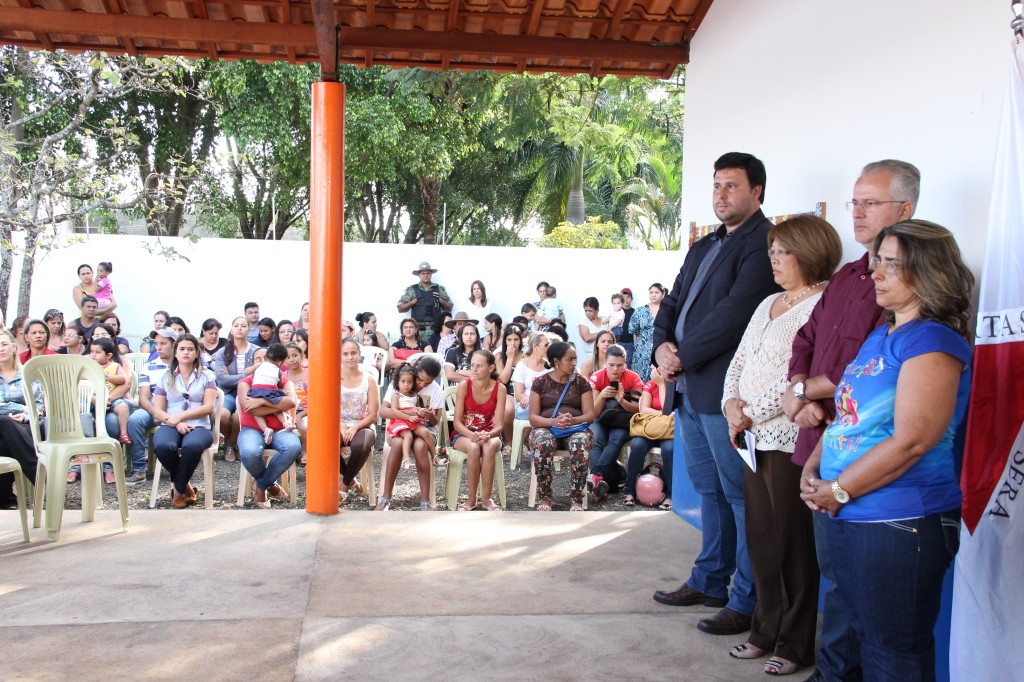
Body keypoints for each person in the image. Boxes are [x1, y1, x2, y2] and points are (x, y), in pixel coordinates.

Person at [798, 221, 972, 681]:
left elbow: (913, 439)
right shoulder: (883, 335)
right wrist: (816, 466)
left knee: (894, 651)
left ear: (927, 271)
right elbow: (849, 416)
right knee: (869, 639)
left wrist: (838, 489)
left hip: (899, 520)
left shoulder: (931, 341)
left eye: (890, 263)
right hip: (853, 511)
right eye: (878, 260)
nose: (875, 271)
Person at [782, 159, 919, 682]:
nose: (858, 213)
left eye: (871, 203)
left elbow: (869, 369)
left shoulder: (909, 290)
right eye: (855, 202)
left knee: (871, 598)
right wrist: (800, 390)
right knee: (833, 572)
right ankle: (835, 668)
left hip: (870, 457)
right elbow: (807, 339)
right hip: (821, 440)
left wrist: (814, 392)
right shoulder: (847, 275)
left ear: (904, 210)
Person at [651, 152, 780, 637]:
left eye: (732, 186)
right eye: (717, 186)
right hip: (688, 390)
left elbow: (736, 313)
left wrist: (680, 355)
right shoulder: (705, 245)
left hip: (725, 392)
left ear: (757, 192)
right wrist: (662, 345)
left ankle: (746, 600)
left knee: (740, 496)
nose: (721, 195)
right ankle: (709, 579)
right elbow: (674, 300)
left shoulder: (763, 244)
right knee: (710, 492)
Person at [721, 215, 843, 676]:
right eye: (771, 251)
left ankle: (794, 643)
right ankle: (764, 629)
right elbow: (741, 360)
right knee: (762, 538)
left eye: (782, 252)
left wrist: (753, 410)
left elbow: (800, 376)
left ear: (808, 253)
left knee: (792, 544)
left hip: (790, 438)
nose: (773, 260)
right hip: (750, 435)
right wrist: (732, 403)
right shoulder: (769, 301)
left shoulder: (824, 302)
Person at [151, 333, 218, 509]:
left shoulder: (207, 376)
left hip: (199, 427)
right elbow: (157, 411)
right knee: (163, 446)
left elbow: (209, 407)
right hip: (170, 424)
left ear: (197, 352)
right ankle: (186, 486)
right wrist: (175, 422)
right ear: (175, 352)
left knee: (192, 447)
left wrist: (181, 417)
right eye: (182, 349)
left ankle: (178, 492)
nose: (186, 352)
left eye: (190, 349)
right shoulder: (165, 377)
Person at [528, 342, 594, 511]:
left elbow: (590, 415)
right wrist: (554, 422)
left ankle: (577, 499)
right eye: (569, 359)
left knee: (580, 442)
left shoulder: (581, 383)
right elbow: (533, 418)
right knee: (543, 442)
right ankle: (545, 497)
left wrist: (571, 420)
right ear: (556, 361)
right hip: (547, 427)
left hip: (575, 428)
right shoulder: (540, 383)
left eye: (575, 359)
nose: (574, 363)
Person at [236, 346, 300, 508]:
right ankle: (269, 484)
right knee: (250, 452)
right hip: (251, 429)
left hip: (280, 429)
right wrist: (277, 405)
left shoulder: (283, 380)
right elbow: (250, 408)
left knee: (292, 447)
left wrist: (263, 401)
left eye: (266, 358)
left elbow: (291, 401)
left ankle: (261, 486)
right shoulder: (245, 384)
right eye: (259, 359)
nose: (264, 362)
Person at [378, 355, 443, 510]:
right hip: (399, 427)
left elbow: (435, 422)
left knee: (420, 446)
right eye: (420, 379)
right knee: (399, 443)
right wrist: (407, 413)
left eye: (428, 382)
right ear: (415, 371)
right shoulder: (402, 382)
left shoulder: (435, 389)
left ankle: (425, 502)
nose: (422, 384)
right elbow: (383, 411)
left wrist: (430, 415)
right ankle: (386, 498)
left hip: (424, 430)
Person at [451, 349, 506, 511]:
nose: (473, 370)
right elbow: (456, 422)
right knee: (474, 447)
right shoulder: (464, 385)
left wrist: (488, 434)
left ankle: (487, 499)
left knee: (489, 446)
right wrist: (471, 435)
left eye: (479, 366)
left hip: (490, 433)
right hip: (464, 433)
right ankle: (471, 499)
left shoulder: (500, 388)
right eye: (472, 365)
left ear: (490, 368)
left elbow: (500, 425)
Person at [588, 343, 643, 500]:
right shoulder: (597, 377)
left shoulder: (633, 378)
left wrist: (621, 399)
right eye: (611, 365)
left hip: (623, 420)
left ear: (625, 363)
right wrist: (601, 396)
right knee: (595, 438)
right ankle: (602, 482)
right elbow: (594, 413)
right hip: (601, 419)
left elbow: (639, 410)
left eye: (620, 365)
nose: (615, 369)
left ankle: (596, 477)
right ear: (605, 362)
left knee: (616, 439)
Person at [124, 328, 178, 483]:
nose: (158, 347)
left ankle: (178, 468)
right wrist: (157, 413)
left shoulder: (184, 365)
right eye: (156, 343)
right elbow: (143, 398)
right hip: (153, 410)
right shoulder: (150, 366)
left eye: (163, 343)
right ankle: (139, 469)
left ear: (174, 345)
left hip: (177, 411)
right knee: (135, 419)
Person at [0, 329, 43, 510]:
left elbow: (38, 408)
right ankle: (39, 475)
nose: (0, 349)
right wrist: (21, 407)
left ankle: (5, 498)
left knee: (4, 437)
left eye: (3, 344)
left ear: (13, 347)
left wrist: (25, 415)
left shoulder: (28, 375)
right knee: (4, 422)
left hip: (25, 427)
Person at [623, 366, 674, 509]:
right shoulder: (650, 384)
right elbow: (644, 409)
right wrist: (663, 415)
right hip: (650, 428)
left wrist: (661, 384)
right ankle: (630, 491)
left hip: (669, 431)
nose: (656, 369)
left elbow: (667, 408)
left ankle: (670, 494)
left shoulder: (674, 385)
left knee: (669, 450)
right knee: (638, 446)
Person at [337, 337, 379, 506]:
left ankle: (344, 485)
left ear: (359, 354)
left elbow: (373, 415)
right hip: (338, 424)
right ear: (340, 356)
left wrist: (354, 427)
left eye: (353, 353)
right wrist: (341, 425)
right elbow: (329, 408)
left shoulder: (369, 379)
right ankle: (352, 480)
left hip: (363, 425)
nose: (350, 357)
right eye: (345, 354)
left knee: (360, 446)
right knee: (326, 444)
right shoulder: (333, 377)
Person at [212, 317, 258, 462]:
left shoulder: (256, 351)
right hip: (226, 392)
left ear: (248, 330)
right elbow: (221, 379)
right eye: (236, 325)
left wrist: (232, 377)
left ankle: (231, 444)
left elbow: (257, 376)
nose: (239, 328)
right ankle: (232, 442)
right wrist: (246, 374)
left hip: (248, 392)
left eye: (243, 325)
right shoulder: (222, 352)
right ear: (231, 330)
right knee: (220, 415)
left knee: (240, 416)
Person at [386, 364, 434, 473]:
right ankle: (406, 460)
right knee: (408, 435)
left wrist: (421, 412)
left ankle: (435, 456)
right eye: (403, 382)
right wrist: (408, 416)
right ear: (398, 382)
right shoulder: (396, 396)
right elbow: (394, 410)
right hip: (400, 421)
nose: (406, 385)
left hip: (413, 421)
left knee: (425, 432)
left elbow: (417, 408)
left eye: (409, 382)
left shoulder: (415, 396)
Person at [89, 336, 133, 446]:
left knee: (123, 407)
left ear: (108, 355)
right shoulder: (89, 367)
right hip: (92, 400)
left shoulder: (114, 366)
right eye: (92, 352)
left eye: (97, 352)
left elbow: (123, 379)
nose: (93, 355)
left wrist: (107, 377)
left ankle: (123, 433)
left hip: (112, 399)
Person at [397, 260, 453, 344]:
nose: (426, 275)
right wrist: (412, 303)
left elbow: (449, 308)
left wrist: (441, 301)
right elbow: (400, 308)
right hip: (417, 332)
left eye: (428, 273)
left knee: (436, 355)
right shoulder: (412, 290)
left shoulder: (439, 289)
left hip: (435, 331)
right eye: (423, 273)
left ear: (431, 274)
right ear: (419, 275)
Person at [248, 343, 291, 443]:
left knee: (257, 414)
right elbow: (279, 384)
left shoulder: (259, 365)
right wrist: (282, 391)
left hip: (256, 392)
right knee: (277, 409)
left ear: (266, 356)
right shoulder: (278, 371)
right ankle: (286, 423)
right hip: (271, 393)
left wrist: (250, 369)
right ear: (281, 363)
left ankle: (266, 430)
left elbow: (247, 372)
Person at [629, 283, 666, 382]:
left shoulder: (668, 309)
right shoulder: (641, 310)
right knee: (640, 380)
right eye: (651, 292)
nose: (653, 295)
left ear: (663, 293)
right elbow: (632, 329)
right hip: (642, 351)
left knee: (659, 379)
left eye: (657, 292)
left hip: (662, 349)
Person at [284, 343, 309, 463]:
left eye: (295, 355)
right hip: (287, 411)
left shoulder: (310, 374)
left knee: (304, 426)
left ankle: (306, 450)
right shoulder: (282, 377)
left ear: (301, 356)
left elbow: (316, 400)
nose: (292, 360)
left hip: (307, 411)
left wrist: (301, 414)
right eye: (288, 357)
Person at [577, 297, 607, 365]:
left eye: (590, 311)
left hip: (607, 357)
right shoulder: (583, 322)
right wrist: (603, 333)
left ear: (597, 310)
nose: (587, 313)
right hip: (591, 358)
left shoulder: (605, 319)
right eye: (586, 311)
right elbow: (586, 338)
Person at [617, 287, 636, 366]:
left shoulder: (635, 312)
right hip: (619, 341)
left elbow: (637, 329)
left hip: (630, 342)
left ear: (631, 299)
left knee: (628, 363)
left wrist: (636, 343)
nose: (626, 299)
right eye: (623, 298)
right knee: (618, 362)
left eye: (628, 297)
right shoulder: (617, 312)